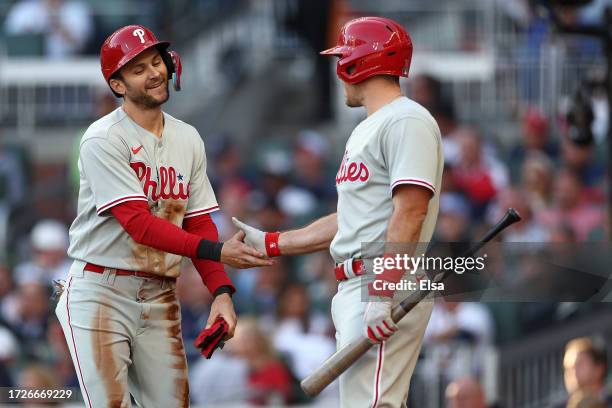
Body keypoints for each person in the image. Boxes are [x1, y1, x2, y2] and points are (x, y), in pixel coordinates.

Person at [54, 25, 272, 407]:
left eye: (157, 62)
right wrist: (219, 253)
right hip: (101, 290)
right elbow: (138, 224)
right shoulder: (103, 138)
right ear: (118, 85)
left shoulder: (188, 137)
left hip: (159, 291)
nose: (154, 72)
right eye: (138, 69)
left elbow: (198, 219)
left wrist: (221, 292)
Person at [234, 16, 443, 407]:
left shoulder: (407, 119)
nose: (338, 68)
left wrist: (382, 291)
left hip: (379, 279)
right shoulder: (369, 127)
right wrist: (274, 243)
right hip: (359, 283)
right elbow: (353, 218)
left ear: (358, 62)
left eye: (343, 56)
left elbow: (411, 210)